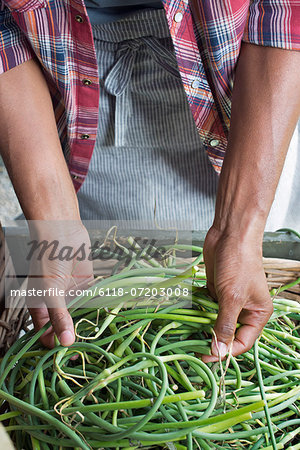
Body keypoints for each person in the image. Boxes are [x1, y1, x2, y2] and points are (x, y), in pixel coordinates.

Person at [0, 0, 299, 362]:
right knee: (102, 308)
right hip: (68, 82)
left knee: (231, 277)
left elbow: (286, 12)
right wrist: (53, 222)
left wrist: (238, 231)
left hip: (242, 84)